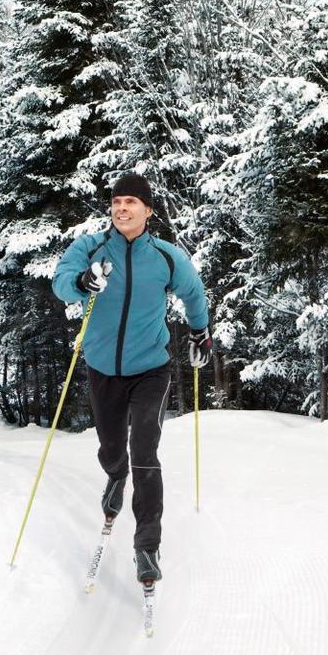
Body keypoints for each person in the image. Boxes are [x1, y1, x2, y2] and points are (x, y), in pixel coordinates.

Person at [50, 173, 211, 586]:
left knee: (144, 445)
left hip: (150, 369)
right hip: (103, 367)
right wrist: (83, 282)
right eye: (117, 202)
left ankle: (147, 546)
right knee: (110, 446)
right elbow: (62, 281)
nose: (122, 208)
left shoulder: (166, 257)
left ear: (148, 211)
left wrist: (199, 333)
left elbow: (194, 293)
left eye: (131, 202)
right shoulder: (91, 249)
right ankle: (115, 475)